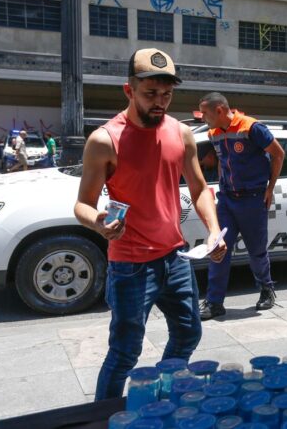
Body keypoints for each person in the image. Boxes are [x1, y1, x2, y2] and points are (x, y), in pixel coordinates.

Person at [73, 48, 227, 401]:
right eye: (151, 94)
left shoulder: (181, 132)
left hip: (175, 258)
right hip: (129, 264)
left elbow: (201, 187)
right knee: (125, 352)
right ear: (129, 90)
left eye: (167, 94)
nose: (160, 102)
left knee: (189, 333)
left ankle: (160, 394)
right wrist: (99, 221)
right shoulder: (104, 140)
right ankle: (106, 418)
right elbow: (82, 204)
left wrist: (213, 230)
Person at [197, 92, 285, 320]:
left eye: (205, 113)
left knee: (257, 251)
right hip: (227, 199)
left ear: (218, 110)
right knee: (218, 249)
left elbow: (278, 154)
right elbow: (222, 162)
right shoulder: (213, 133)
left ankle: (266, 289)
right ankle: (214, 302)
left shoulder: (251, 127)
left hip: (252, 199)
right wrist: (220, 188)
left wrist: (269, 188)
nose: (203, 118)